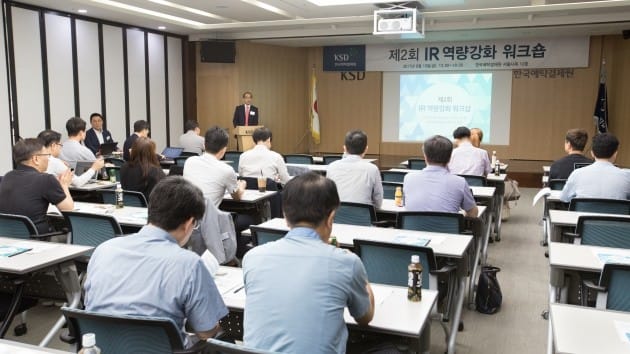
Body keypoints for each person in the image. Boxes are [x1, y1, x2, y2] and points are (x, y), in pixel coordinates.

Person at [84, 176, 227, 346]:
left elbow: (90, 306)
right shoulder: (189, 264)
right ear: (189, 223)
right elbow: (206, 332)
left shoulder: (104, 249)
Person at [242, 172, 374, 354]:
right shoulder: (346, 262)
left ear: (285, 216)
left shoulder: (252, 257)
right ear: (331, 218)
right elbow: (365, 317)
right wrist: (361, 275)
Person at [0, 138, 74, 234]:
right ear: (36, 159)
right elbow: (68, 209)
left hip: (8, 237)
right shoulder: (46, 179)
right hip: (38, 239)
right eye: (47, 155)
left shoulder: (8, 176)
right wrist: (64, 185)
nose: (49, 159)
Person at [403, 135, 478, 217]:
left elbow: (405, 205)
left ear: (425, 157)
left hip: (412, 229)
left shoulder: (408, 178)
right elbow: (473, 214)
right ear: (450, 158)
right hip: (448, 229)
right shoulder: (460, 182)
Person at [184, 126, 246, 207]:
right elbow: (237, 197)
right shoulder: (227, 170)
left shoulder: (189, 161)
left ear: (204, 144)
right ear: (224, 149)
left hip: (183, 215)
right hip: (206, 217)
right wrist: (241, 186)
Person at [560, 133, 630, 202]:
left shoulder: (577, 173)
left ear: (592, 153)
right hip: (617, 213)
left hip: (584, 213)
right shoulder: (627, 176)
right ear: (615, 154)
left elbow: (564, 198)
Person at [326, 130, 383, 208]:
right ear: (366, 149)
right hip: (363, 218)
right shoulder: (372, 169)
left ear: (344, 149)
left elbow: (328, 197)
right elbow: (378, 202)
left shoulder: (331, 167)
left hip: (336, 218)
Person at [37, 129, 105, 187]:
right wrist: (94, 168)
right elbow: (78, 182)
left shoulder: (36, 159)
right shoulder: (55, 162)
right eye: (60, 145)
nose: (60, 147)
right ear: (53, 146)